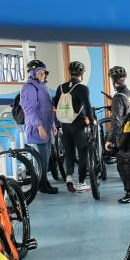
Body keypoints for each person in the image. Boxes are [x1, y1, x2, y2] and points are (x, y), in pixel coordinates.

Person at [53, 60, 93, 193]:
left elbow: (56, 105)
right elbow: (87, 107)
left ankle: (69, 178)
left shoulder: (60, 87)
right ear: (82, 74)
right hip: (78, 125)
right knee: (82, 152)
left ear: (69, 72)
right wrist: (91, 122)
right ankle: (81, 182)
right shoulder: (82, 88)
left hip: (65, 125)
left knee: (69, 152)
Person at [20, 59, 58, 194]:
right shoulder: (29, 88)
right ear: (32, 73)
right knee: (41, 160)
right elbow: (29, 111)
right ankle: (42, 185)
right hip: (37, 129)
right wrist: (39, 127)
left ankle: (44, 182)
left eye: (44, 72)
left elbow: (48, 108)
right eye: (39, 72)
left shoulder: (42, 86)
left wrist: (53, 125)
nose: (43, 75)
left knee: (45, 158)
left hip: (46, 126)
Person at [105, 65, 130, 164]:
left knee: (122, 165)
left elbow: (117, 121)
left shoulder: (118, 97)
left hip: (124, 135)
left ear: (113, 81)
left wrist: (110, 140)